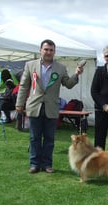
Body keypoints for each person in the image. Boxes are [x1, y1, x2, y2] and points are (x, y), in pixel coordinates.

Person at [15, 39, 84, 174]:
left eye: (51, 50)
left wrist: (76, 74)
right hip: (34, 106)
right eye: (46, 49)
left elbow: (68, 84)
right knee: (34, 137)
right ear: (40, 50)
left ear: (54, 52)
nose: (48, 52)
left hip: (51, 107)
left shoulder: (60, 68)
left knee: (49, 139)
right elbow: (24, 86)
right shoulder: (30, 65)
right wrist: (19, 103)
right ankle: (34, 164)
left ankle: (47, 164)